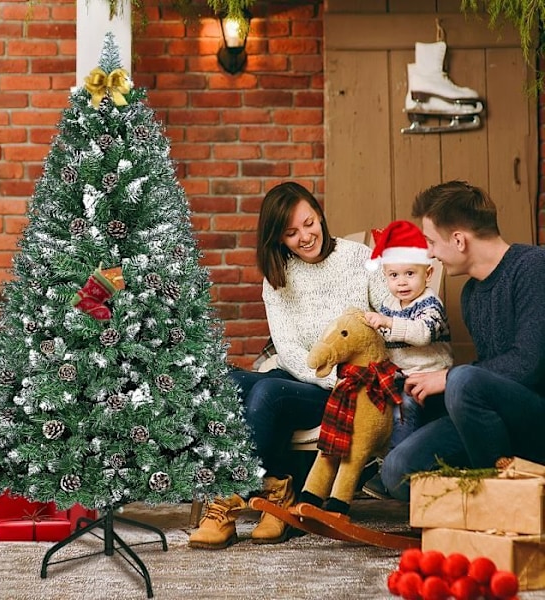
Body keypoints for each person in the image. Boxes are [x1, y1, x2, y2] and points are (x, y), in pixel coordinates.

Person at [188, 181, 389, 549]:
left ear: (320, 214)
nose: (305, 237)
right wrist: (323, 378)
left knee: (267, 392)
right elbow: (288, 347)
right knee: (224, 381)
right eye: (291, 232)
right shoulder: (279, 274)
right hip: (305, 377)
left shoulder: (359, 258)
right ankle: (278, 489)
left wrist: (345, 379)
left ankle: (229, 500)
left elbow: (389, 318)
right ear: (278, 238)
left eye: (309, 223)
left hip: (347, 384)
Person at [381, 180, 545, 502]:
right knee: (397, 469)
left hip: (536, 419)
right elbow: (487, 376)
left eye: (430, 241)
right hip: (496, 424)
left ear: (458, 240)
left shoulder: (533, 268)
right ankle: (486, 487)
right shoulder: (471, 294)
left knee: (462, 378)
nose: (428, 253)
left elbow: (529, 364)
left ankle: (498, 502)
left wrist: (448, 377)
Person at [361, 220, 454, 499]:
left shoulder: (430, 304)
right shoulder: (389, 304)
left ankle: (392, 470)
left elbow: (422, 334)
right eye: (393, 275)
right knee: (371, 399)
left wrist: (387, 323)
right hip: (400, 377)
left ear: (428, 273)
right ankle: (370, 463)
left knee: (405, 407)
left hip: (431, 378)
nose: (401, 282)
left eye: (409, 274)